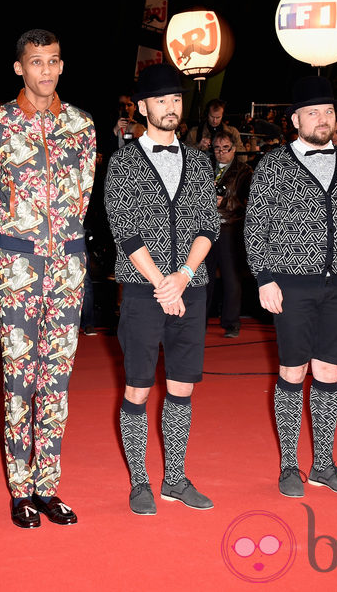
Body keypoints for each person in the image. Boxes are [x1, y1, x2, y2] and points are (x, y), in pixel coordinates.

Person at [0, 29, 96, 528]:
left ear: (61, 66)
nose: (45, 70)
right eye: (36, 62)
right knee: (20, 380)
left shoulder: (81, 125)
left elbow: (82, 196)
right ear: (19, 68)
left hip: (68, 266)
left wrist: (61, 247)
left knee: (57, 382)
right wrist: (13, 252)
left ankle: (48, 486)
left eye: (53, 61)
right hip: (18, 269)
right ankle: (19, 489)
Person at [245, 76, 337, 498]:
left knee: (328, 372)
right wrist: (264, 277)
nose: (322, 119)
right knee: (292, 372)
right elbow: (255, 226)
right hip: (290, 284)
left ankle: (323, 464)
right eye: (313, 113)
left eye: (328, 112)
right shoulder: (272, 165)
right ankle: (290, 466)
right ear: (295, 120)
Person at [104, 63, 219, 515]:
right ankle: (140, 482)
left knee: (182, 388)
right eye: (161, 101)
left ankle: (175, 478)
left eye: (176, 100)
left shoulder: (198, 159)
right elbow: (125, 232)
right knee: (137, 388)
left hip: (191, 287)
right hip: (140, 290)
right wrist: (161, 284)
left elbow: (208, 224)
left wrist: (185, 275)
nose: (170, 108)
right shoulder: (124, 162)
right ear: (144, 107)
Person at [205, 130, 252, 337]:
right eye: (217, 148)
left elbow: (249, 205)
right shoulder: (205, 168)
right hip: (206, 229)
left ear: (234, 149)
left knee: (232, 277)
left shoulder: (244, 171)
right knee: (203, 277)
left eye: (226, 148)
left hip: (230, 228)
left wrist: (225, 202)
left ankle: (232, 322)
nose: (221, 152)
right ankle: (200, 319)